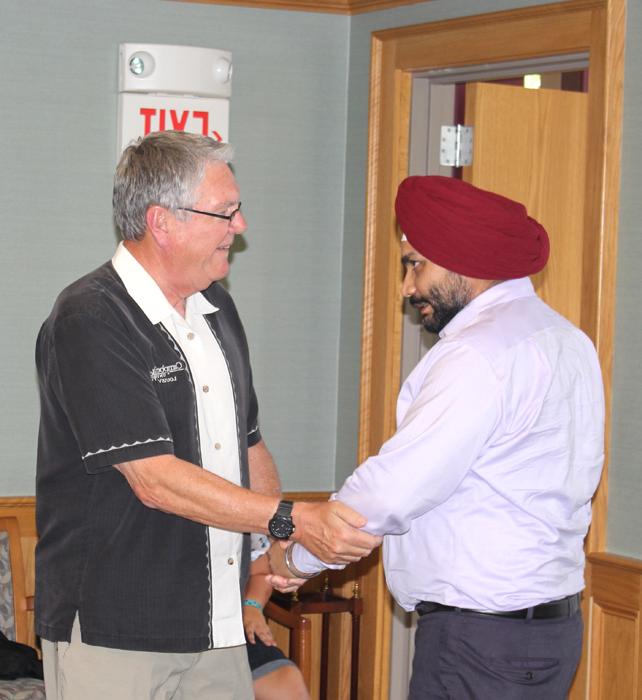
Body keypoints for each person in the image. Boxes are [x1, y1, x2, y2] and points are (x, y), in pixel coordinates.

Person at [34, 130, 380, 700]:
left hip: (218, 628)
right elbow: (153, 479)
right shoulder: (91, 316)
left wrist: (270, 553)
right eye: (224, 212)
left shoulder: (217, 305)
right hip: (115, 630)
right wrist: (291, 519)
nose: (239, 227)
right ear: (162, 222)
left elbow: (250, 445)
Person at [269, 176, 605, 699]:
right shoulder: (568, 339)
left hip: (480, 643)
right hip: (555, 631)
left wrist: (291, 560)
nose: (407, 289)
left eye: (414, 264)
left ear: (461, 260)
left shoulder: (475, 355)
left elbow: (389, 494)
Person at [243, 535, 309, 700]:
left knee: (289, 687)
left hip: (234, 623)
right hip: (176, 628)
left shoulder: (244, 513)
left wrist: (252, 606)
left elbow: (261, 570)